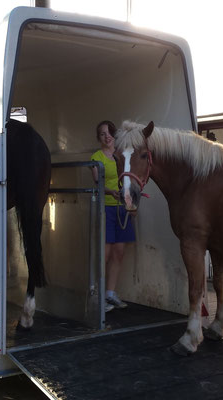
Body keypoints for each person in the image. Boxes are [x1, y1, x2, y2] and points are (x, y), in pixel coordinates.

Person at [90, 120, 135, 312]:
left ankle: (110, 293)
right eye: (102, 133)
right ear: (99, 138)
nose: (106, 136)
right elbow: (96, 183)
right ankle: (98, 296)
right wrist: (110, 192)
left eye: (109, 132)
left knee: (119, 252)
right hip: (106, 209)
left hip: (123, 209)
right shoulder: (96, 157)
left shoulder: (124, 154)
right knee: (105, 254)